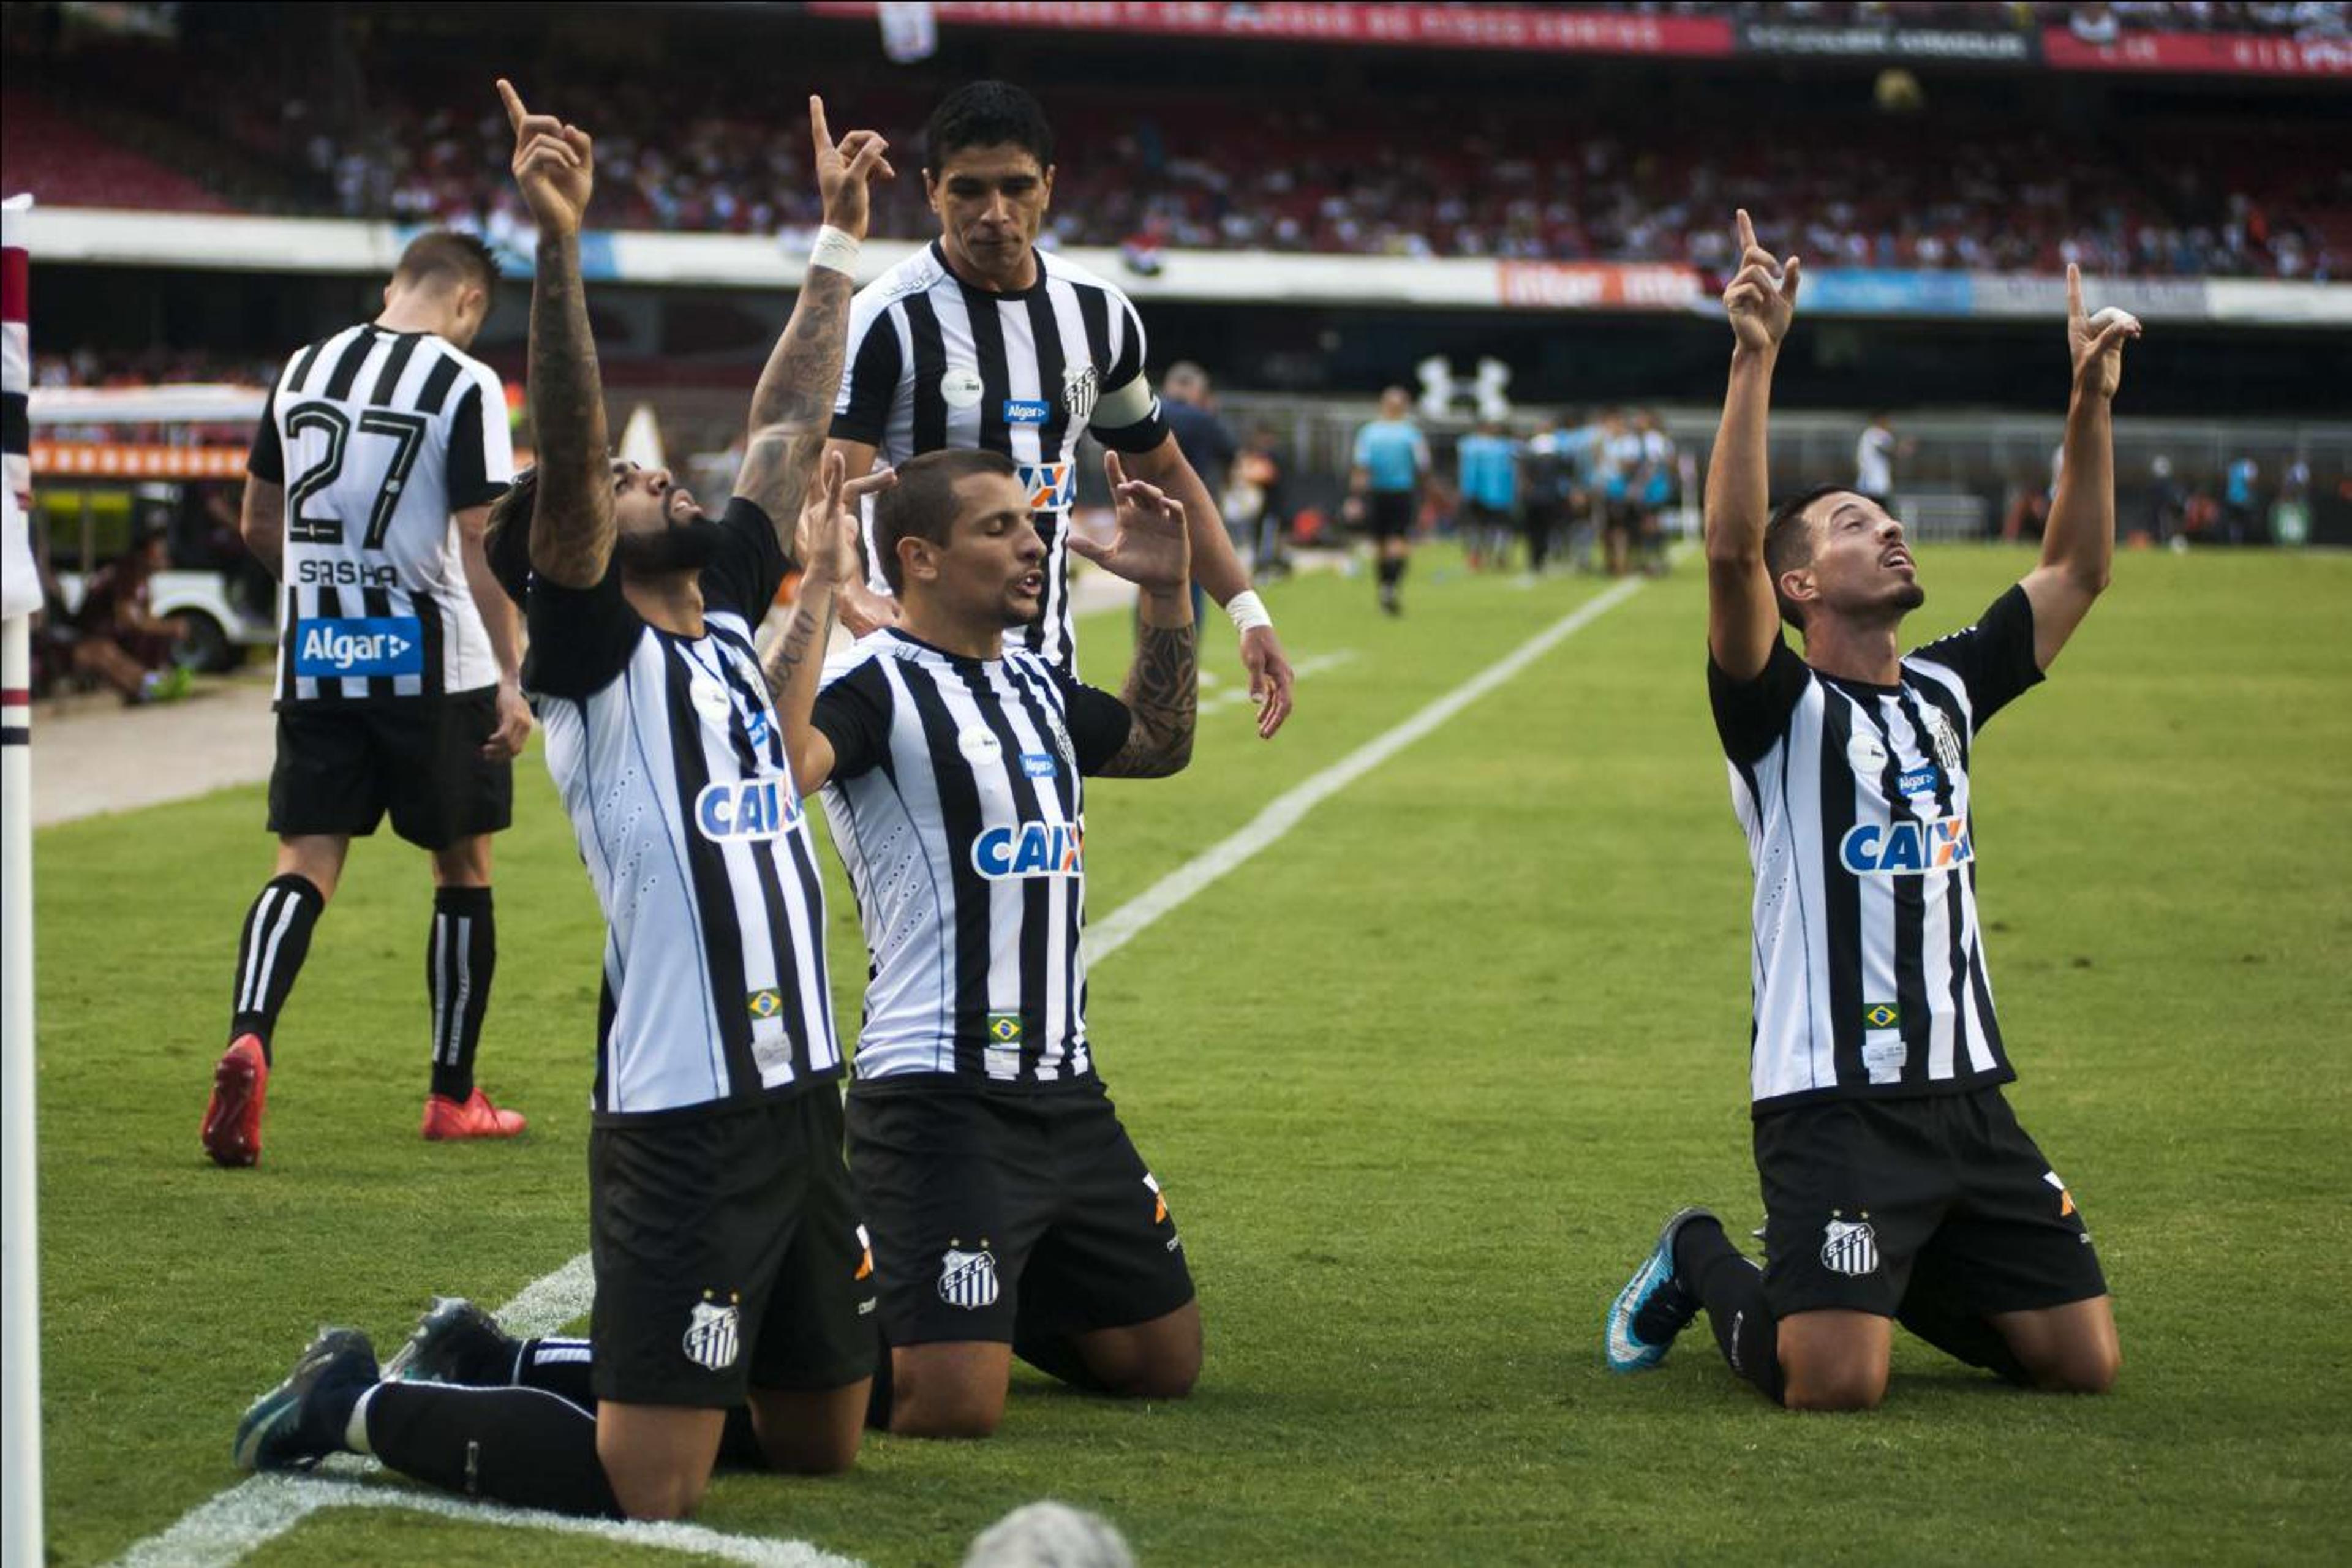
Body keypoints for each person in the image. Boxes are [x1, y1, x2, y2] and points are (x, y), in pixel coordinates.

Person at [232, 83, 893, 1520]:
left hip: (801, 1093)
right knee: (654, 1483)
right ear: (569, 541)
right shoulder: (586, 644)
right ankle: (356, 1394)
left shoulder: (716, 598)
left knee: (826, 1434)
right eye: (617, 479)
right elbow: (579, 460)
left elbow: (783, 418)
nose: (659, 470)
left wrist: (838, 248)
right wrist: (559, 253)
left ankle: (496, 1350)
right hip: (686, 1111)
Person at [1605, 210, 2138, 1411]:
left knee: (2083, 1364)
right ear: (1802, 586)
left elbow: (2076, 572)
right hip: (1831, 1101)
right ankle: (1700, 1247)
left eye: (1882, 518)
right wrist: (1754, 358)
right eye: (1854, 524)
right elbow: (1730, 550)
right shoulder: (1777, 709)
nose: (1887, 527)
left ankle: (1885, 1269)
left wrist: (2089, 402)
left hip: (1967, 1095)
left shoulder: (1949, 684)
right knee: (1833, 1383)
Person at [776, 442, 1202, 1439]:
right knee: (953, 1408)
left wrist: (1171, 596)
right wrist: (819, 586)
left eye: (1032, 522)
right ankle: (675, 1367)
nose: (1034, 544)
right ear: (918, 557)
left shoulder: (1035, 685)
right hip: (939, 1099)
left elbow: (1159, 742)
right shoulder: (873, 683)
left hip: (1067, 1092)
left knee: (1159, 1364)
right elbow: (784, 761)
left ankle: (961, 1301)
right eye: (999, 527)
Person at [200, 220, 535, 1167]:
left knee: (301, 860)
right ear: (469, 302)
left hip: (317, 653)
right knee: (462, 869)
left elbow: (259, 519)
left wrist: (321, 594)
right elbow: (480, 534)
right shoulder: (464, 381)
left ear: (398, 283)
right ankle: (451, 1094)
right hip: (438, 663)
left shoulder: (304, 365)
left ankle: (251, 1034)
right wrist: (513, 675)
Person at [826, 80, 1292, 739]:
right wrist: (852, 593)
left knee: (1064, 839)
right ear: (932, 190)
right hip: (910, 670)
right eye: (968, 189)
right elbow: (828, 491)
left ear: (1048, 183)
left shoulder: (1098, 315)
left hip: (1046, 675)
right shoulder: (885, 319)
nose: (995, 212)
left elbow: (1161, 468)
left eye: (1016, 187)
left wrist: (1247, 611)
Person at [67, 529, 192, 704]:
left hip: (111, 636)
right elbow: (128, 619)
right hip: (89, 636)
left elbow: (147, 617)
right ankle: (148, 686)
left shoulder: (143, 578)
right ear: (145, 552)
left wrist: (168, 626)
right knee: (108, 653)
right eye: (159, 551)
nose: (163, 555)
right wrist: (169, 626)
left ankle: (153, 683)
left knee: (155, 638)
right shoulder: (126, 572)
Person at [1349, 386, 1429, 614]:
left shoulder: (1369, 433)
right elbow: (1422, 467)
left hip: (1377, 493)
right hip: (1402, 492)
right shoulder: (1411, 433)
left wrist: (1355, 497)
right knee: (1399, 541)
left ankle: (1384, 585)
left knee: (1381, 543)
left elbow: (1361, 467)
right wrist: (1425, 497)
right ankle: (1392, 586)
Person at [1454, 418, 1518, 573]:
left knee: (1475, 527)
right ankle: (1498, 556)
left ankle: (1477, 558)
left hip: (1476, 493)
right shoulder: (1505, 446)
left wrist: (1466, 491)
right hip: (1500, 495)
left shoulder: (1469, 445)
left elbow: (1466, 470)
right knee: (1498, 526)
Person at [1518, 415, 1569, 579]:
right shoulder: (1557, 447)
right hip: (1550, 495)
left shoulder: (1531, 448)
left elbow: (1524, 472)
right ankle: (1543, 558)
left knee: (1535, 530)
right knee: (1547, 530)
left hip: (1536, 495)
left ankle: (1535, 560)